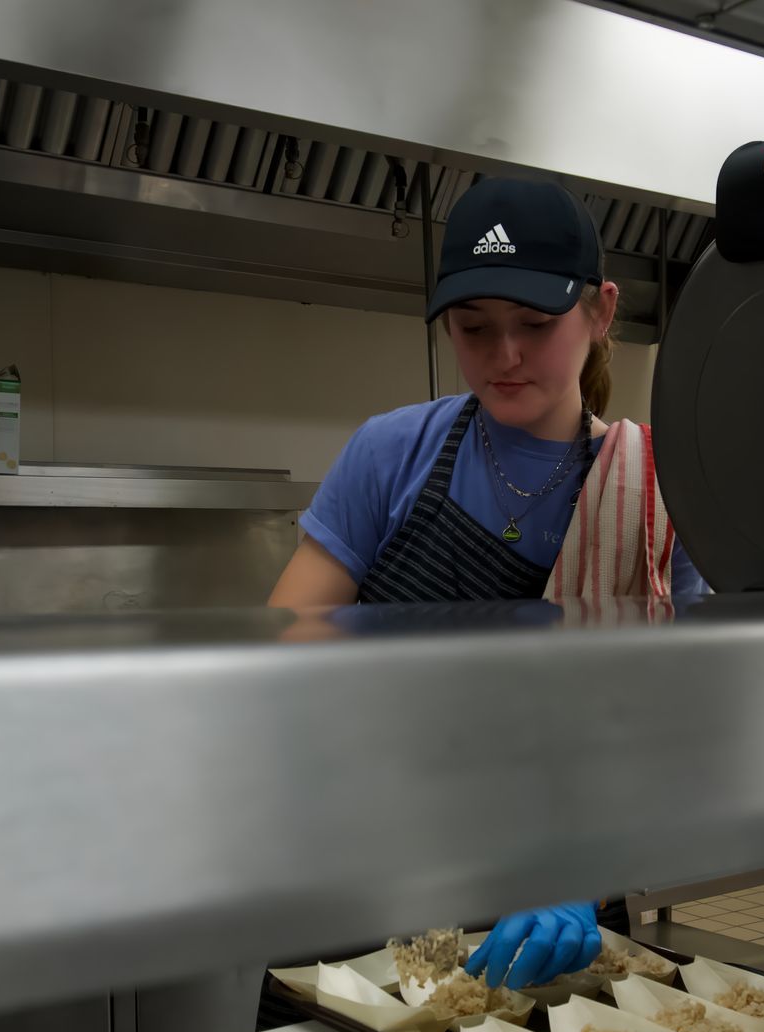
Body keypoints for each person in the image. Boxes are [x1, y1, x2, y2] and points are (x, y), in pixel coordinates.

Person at [270, 177, 702, 989]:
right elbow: (283, 657)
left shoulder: (655, 494)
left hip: (555, 903)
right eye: (474, 329)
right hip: (369, 882)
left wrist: (580, 866)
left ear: (601, 312)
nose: (504, 357)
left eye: (535, 327)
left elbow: (688, 721)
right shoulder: (390, 453)